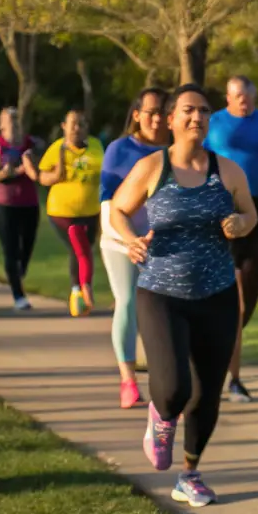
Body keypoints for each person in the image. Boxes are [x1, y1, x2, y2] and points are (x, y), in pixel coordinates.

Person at [111, 84, 257, 508]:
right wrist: (130, 240)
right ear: (171, 119)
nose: (198, 118)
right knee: (173, 389)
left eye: (205, 112)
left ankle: (190, 473)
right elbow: (119, 209)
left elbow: (250, 212)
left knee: (207, 393)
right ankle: (160, 417)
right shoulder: (153, 167)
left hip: (217, 294)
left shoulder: (227, 170)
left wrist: (241, 224)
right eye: (189, 111)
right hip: (161, 292)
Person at [206, 75, 258, 403]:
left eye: (247, 95)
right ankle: (233, 380)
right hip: (224, 212)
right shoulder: (213, 123)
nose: (243, 101)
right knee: (228, 304)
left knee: (245, 305)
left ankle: (224, 361)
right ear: (227, 97)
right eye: (237, 96)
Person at [99, 88, 169, 408]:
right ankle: (128, 380)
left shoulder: (177, 150)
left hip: (162, 241)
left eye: (162, 112)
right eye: (150, 112)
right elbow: (109, 204)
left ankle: (167, 375)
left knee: (164, 309)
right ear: (137, 114)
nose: (156, 118)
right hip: (121, 240)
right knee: (127, 300)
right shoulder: (119, 149)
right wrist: (129, 241)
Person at [38, 110, 104, 317]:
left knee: (83, 250)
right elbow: (42, 178)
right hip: (62, 212)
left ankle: (78, 293)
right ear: (64, 126)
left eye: (82, 124)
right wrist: (56, 175)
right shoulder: (57, 148)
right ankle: (81, 292)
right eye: (73, 123)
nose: (78, 128)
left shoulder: (96, 146)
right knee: (80, 250)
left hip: (91, 211)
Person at [0, 107, 40, 311]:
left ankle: (17, 274)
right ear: (1, 125)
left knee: (26, 249)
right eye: (8, 118)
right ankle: (18, 296)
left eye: (16, 118)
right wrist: (4, 174)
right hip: (5, 207)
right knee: (11, 250)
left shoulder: (32, 144)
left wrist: (31, 166)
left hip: (30, 204)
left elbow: (43, 167)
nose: (13, 121)